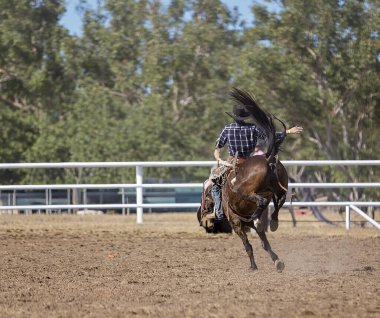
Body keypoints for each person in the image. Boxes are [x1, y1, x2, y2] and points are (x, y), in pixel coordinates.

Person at [211, 104, 303, 221]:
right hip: (249, 161)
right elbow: (271, 136)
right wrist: (288, 131)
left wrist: (219, 159)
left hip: (232, 163)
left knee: (214, 184)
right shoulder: (252, 128)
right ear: (245, 117)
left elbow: (217, 148)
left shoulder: (227, 129)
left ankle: (219, 213)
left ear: (234, 117)